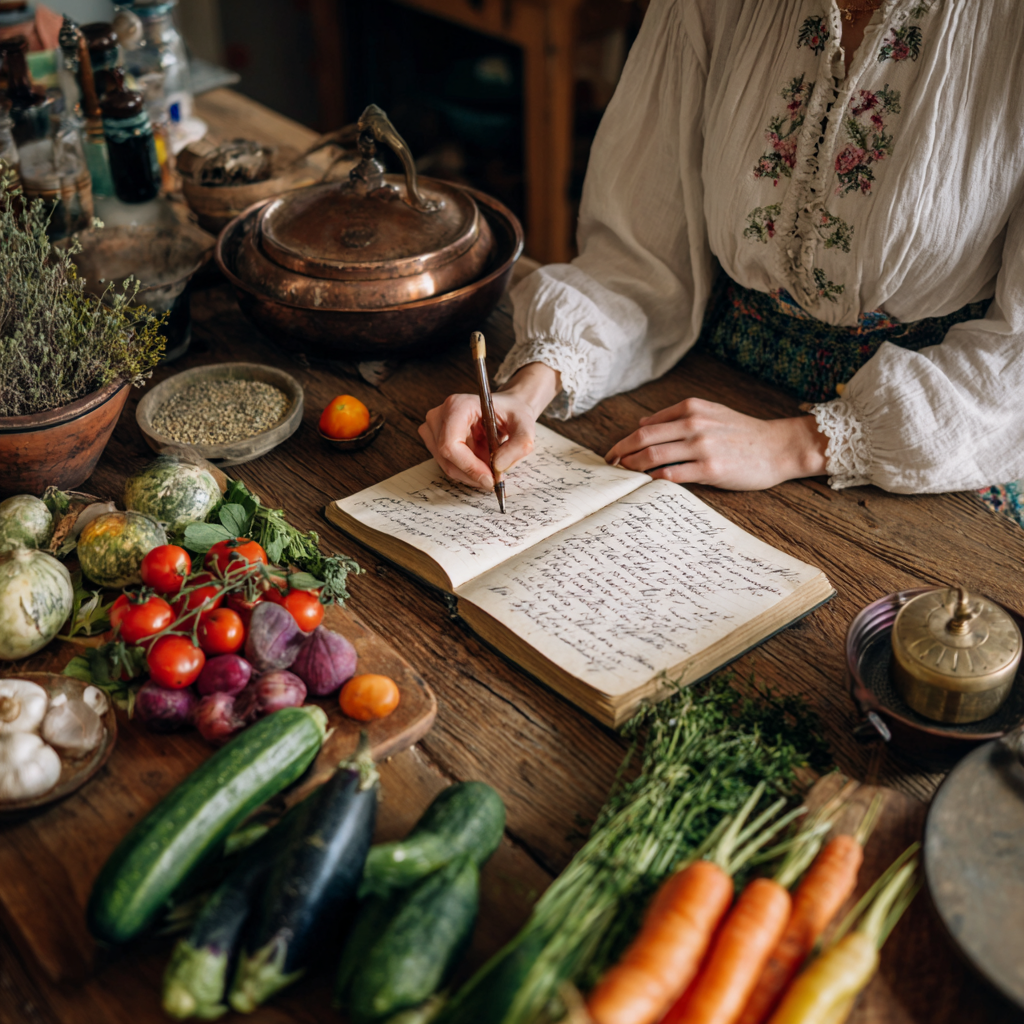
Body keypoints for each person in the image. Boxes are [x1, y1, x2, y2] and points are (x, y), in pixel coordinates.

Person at [419, 0, 1024, 525]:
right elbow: (639, 251)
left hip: (937, 442)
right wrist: (526, 392)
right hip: (705, 386)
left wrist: (796, 445)